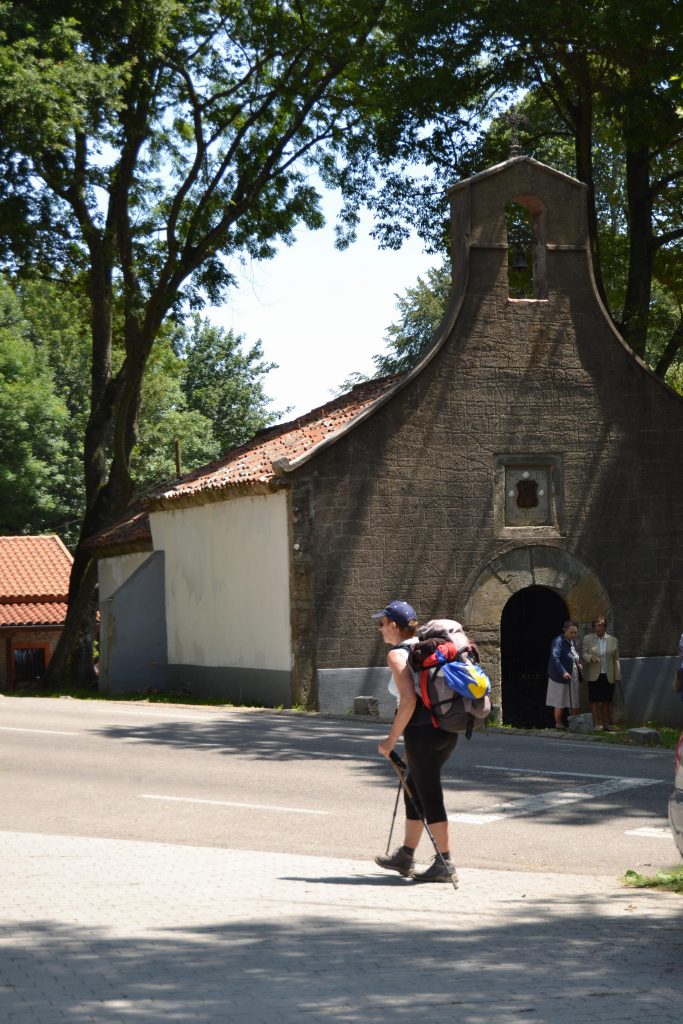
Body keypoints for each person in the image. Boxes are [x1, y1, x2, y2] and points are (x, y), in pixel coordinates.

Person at [372, 599, 458, 884]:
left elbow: (408, 700)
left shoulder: (398, 655)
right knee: (414, 789)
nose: (380, 630)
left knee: (429, 795)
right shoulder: (426, 646)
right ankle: (406, 855)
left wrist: (390, 741)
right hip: (446, 729)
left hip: (422, 733)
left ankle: (445, 863)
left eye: (382, 624)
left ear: (394, 626)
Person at [581, 616, 621, 730]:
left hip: (608, 674)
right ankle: (596, 724)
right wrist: (590, 657)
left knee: (606, 700)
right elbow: (583, 653)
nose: (597, 628)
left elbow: (616, 659)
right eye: (595, 626)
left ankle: (606, 724)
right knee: (594, 700)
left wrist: (617, 675)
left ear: (605, 627)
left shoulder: (613, 640)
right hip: (594, 674)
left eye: (599, 625)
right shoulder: (588, 639)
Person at [546, 620, 582, 730]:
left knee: (573, 700)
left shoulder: (572, 641)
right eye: (571, 632)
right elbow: (555, 658)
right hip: (559, 677)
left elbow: (574, 656)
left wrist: (579, 664)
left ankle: (574, 724)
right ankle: (559, 724)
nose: (574, 635)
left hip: (573, 676)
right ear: (565, 630)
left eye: (575, 633)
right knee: (560, 701)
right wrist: (563, 672)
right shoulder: (558, 641)